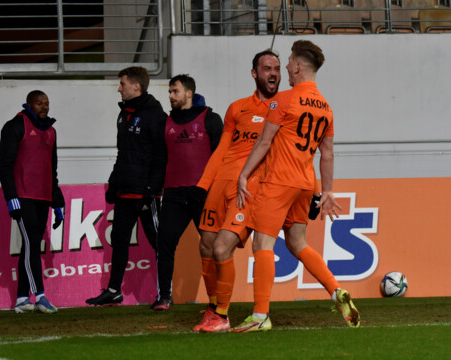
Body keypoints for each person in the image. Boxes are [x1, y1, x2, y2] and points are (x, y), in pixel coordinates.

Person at [232, 40, 360, 332]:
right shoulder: (326, 108)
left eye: (289, 62)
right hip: (306, 183)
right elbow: (326, 154)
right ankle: (335, 290)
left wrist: (243, 174)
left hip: (279, 181)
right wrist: (327, 191)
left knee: (262, 243)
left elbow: (264, 142)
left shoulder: (283, 100)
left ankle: (261, 316)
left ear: (299, 66)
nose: (286, 67)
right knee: (297, 243)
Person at [191, 49, 282, 332]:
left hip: (250, 186)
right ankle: (213, 307)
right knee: (206, 244)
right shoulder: (236, 108)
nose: (273, 73)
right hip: (221, 182)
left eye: (277, 68)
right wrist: (203, 185)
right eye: (266, 68)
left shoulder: (285, 108)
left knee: (222, 247)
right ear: (254, 73)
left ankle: (222, 314)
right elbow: (222, 150)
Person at [86, 66, 167, 306]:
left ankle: (165, 292)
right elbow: (123, 153)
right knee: (119, 238)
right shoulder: (124, 114)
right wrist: (114, 182)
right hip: (125, 190)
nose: (119, 89)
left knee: (159, 243)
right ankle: (114, 290)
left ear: (136, 86)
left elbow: (161, 156)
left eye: (122, 84)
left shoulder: (155, 114)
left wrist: (152, 190)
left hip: (145, 193)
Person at [150, 74, 223, 311]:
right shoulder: (165, 123)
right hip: (173, 195)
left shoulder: (210, 119)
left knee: (213, 246)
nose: (170, 96)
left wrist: (220, 191)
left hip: (203, 194)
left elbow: (222, 158)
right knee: (165, 244)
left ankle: (218, 299)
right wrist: (154, 188)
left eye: (175, 92)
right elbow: (160, 160)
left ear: (189, 93)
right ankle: (164, 296)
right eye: (170, 92)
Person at [0, 90, 65, 314]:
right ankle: (40, 296)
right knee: (32, 244)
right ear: (29, 105)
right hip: (23, 197)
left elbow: (52, 170)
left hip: (43, 198)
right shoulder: (15, 126)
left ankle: (21, 299)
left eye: (47, 103)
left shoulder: (52, 132)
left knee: (30, 246)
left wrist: (57, 202)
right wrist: (11, 197)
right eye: (39, 103)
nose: (44, 107)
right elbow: (4, 167)